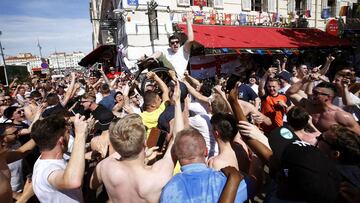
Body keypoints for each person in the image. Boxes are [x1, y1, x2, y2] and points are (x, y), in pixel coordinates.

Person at [90, 80, 184, 203]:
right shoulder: (157, 176)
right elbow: (179, 137)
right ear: (145, 142)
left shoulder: (105, 166)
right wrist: (177, 102)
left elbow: (92, 185)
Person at [160, 128, 249, 202]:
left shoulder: (168, 189)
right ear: (206, 152)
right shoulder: (225, 180)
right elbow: (255, 183)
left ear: (176, 155)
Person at [31, 114, 90, 203]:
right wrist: (80, 134)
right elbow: (73, 182)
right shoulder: (46, 170)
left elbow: (69, 163)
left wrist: (86, 155)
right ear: (61, 140)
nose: (69, 136)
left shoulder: (47, 158)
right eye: (68, 133)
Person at [286, 80, 360, 134]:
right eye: (313, 91)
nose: (312, 95)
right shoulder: (307, 104)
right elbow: (290, 93)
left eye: (316, 93)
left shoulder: (341, 116)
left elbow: (357, 136)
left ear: (328, 97)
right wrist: (304, 80)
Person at [151, 13, 194, 78]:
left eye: (177, 42)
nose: (175, 44)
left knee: (160, 55)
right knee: (158, 54)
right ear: (169, 45)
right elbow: (158, 53)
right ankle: (146, 61)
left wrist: (188, 21)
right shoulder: (167, 50)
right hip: (166, 76)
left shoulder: (183, 50)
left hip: (176, 77)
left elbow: (190, 39)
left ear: (179, 43)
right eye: (173, 43)